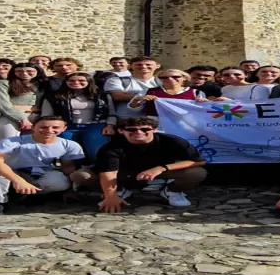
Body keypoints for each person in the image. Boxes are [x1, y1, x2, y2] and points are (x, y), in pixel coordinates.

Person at [72, 117, 207, 211]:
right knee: (80, 176)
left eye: (144, 129)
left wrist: (160, 168)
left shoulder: (172, 141)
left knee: (197, 172)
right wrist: (110, 196)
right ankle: (119, 191)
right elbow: (108, 173)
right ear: (121, 131)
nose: (138, 132)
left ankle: (172, 190)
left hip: (160, 172)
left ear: (154, 129)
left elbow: (198, 161)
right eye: (131, 130)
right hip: (123, 174)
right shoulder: (111, 147)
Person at [0, 116, 86, 217]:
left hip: (38, 174)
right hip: (11, 173)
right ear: (33, 127)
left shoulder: (69, 145)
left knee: (61, 181)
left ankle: (36, 194)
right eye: (43, 127)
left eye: (55, 127)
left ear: (64, 129)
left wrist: (70, 189)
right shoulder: (13, 141)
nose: (49, 130)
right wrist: (18, 180)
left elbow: (68, 167)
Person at [45, 72, 115, 162]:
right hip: (67, 127)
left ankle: (95, 172)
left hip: (96, 126)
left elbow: (111, 112)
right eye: (71, 80)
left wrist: (110, 125)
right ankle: (71, 173)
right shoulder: (54, 96)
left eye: (81, 80)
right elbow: (47, 115)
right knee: (68, 155)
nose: (76, 83)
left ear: (89, 82)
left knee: (96, 153)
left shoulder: (102, 95)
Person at [0, 62, 42, 141]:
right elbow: (1, 103)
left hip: (37, 118)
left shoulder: (43, 85)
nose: (24, 73)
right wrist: (22, 118)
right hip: (10, 117)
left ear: (37, 72)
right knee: (7, 144)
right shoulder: (3, 83)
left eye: (30, 71)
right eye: (19, 71)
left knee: (30, 146)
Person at [129, 69, 211, 115]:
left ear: (184, 78)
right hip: (157, 125)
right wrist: (137, 100)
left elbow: (202, 111)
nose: (170, 79)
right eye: (164, 77)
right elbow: (134, 110)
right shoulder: (149, 91)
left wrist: (204, 103)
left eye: (175, 76)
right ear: (160, 79)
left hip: (185, 124)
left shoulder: (195, 92)